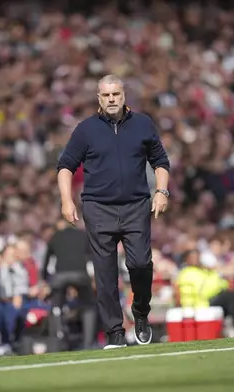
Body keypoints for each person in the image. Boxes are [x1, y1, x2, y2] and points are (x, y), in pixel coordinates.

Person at [56, 75, 171, 349]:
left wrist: (162, 191)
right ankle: (115, 333)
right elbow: (65, 167)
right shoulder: (85, 130)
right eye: (106, 95)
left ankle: (141, 311)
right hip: (98, 208)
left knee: (141, 264)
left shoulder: (143, 124)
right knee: (105, 273)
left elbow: (160, 161)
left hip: (136, 206)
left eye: (116, 94)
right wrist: (66, 201)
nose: (111, 99)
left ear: (124, 96)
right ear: (98, 98)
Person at [43, 218, 97, 350]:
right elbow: (91, 257)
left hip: (60, 275)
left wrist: (45, 279)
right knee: (89, 306)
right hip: (80, 274)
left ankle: (57, 339)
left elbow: (47, 259)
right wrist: (92, 277)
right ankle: (88, 342)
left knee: (56, 305)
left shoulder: (56, 236)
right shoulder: (83, 235)